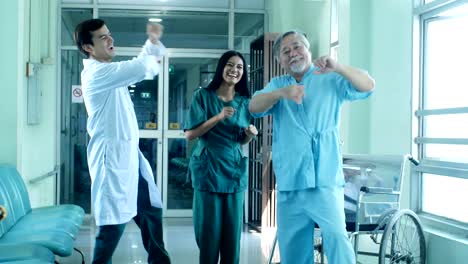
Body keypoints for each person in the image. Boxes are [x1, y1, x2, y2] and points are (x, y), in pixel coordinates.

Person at [248, 30, 375, 264]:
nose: (293, 54)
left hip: (324, 179)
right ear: (279, 61)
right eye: (285, 52)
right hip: (291, 182)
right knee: (293, 251)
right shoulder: (278, 84)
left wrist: (338, 67)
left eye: (297, 47)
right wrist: (281, 93)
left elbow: (368, 84)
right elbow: (254, 106)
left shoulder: (328, 77)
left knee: (337, 239)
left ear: (308, 50)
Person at [74, 19, 171, 264]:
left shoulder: (110, 73)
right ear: (88, 47)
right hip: (112, 161)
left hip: (130, 159)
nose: (110, 39)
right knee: (112, 226)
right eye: (102, 37)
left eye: (110, 34)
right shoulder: (98, 73)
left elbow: (144, 69)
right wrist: (151, 42)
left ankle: (160, 261)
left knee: (151, 212)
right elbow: (140, 67)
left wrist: (152, 46)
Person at [184, 50, 258, 264]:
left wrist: (249, 136)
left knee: (232, 236)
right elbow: (190, 134)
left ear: (243, 73)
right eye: (230, 65)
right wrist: (218, 116)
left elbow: (240, 140)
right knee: (208, 234)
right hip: (208, 167)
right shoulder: (203, 96)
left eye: (239, 67)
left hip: (233, 169)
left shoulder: (245, 102)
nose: (234, 70)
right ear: (221, 68)